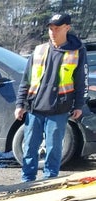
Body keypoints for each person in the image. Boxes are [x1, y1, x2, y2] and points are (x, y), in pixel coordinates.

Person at [15, 13, 87, 182]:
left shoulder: (77, 52)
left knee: (54, 148)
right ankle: (27, 181)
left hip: (59, 109)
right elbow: (26, 79)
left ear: (67, 28)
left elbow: (81, 81)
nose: (53, 32)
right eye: (51, 29)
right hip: (35, 107)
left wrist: (78, 105)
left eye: (57, 29)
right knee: (30, 147)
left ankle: (50, 180)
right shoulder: (40, 50)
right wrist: (20, 104)